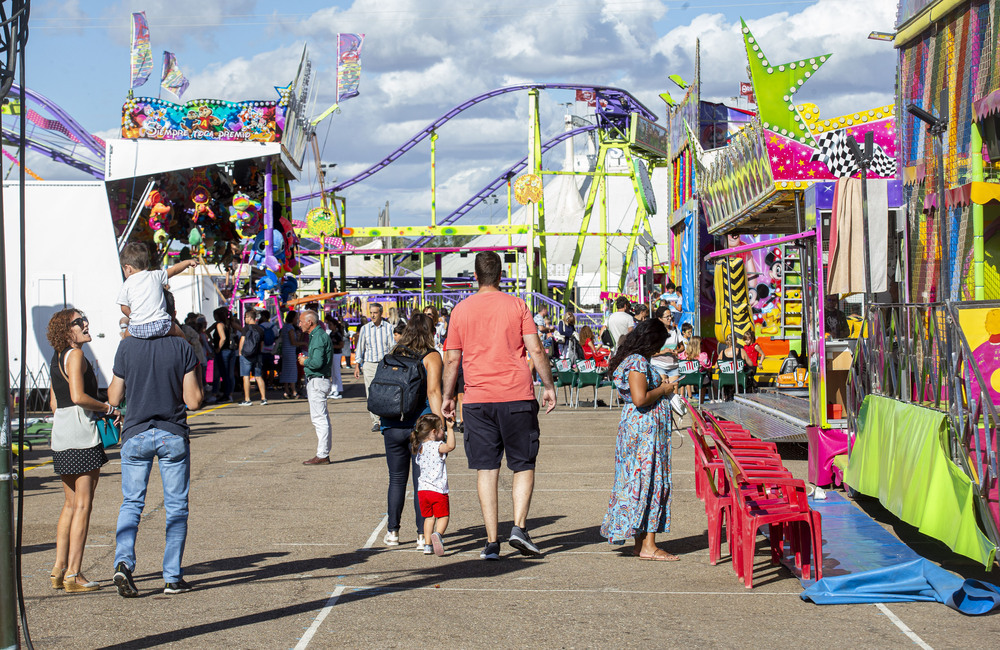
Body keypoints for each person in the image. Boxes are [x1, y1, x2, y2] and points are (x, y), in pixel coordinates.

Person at [442, 251, 556, 560]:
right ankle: (518, 526)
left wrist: (448, 396)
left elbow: (453, 358)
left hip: (478, 400)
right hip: (516, 394)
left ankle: (491, 541)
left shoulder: (461, 310)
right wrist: (548, 386)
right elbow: (536, 349)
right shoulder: (517, 305)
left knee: (486, 469)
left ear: (474, 276)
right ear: (501, 275)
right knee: (523, 464)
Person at [108, 290, 203, 597]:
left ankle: (123, 563)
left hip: (135, 432)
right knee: (176, 507)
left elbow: (113, 397)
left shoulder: (126, 347)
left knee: (132, 503)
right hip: (171, 431)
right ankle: (172, 576)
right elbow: (194, 401)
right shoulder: (181, 347)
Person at [46, 309, 115, 593]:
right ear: (67, 330)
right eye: (78, 322)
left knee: (70, 504)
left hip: (62, 431)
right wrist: (108, 408)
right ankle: (74, 573)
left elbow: (54, 402)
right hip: (80, 432)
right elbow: (77, 396)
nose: (86, 324)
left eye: (84, 319)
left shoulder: (57, 356)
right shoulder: (75, 355)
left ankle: (59, 569)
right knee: (83, 506)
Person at [600, 318, 679, 561]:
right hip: (644, 433)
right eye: (657, 344)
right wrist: (664, 390)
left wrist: (659, 384)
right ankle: (649, 546)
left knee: (642, 481)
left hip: (642, 431)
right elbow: (640, 398)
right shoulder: (637, 362)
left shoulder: (636, 361)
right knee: (650, 481)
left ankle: (641, 543)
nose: (658, 349)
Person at [379, 314, 443, 549]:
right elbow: (434, 392)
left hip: (392, 422)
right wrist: (441, 425)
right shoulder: (431, 356)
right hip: (420, 425)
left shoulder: (395, 352)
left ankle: (393, 532)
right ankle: (420, 535)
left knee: (396, 480)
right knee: (421, 482)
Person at [117, 242, 197, 339]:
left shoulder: (126, 284)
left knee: (125, 336)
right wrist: (188, 262)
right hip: (161, 325)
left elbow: (123, 308)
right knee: (180, 334)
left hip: (137, 327)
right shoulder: (155, 275)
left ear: (128, 268)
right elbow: (175, 269)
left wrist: (135, 317)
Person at [411, 414, 456, 556]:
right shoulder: (437, 446)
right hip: (438, 490)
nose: (443, 431)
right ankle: (438, 534)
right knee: (443, 516)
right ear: (433, 432)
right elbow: (451, 446)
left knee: (429, 518)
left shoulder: (420, 448)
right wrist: (451, 429)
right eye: (441, 429)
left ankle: (427, 545)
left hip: (423, 491)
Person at [298, 310, 334, 464]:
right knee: (320, 417)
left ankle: (322, 454)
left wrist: (305, 362)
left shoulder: (318, 337)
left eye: (301, 321)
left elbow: (317, 363)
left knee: (319, 418)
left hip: (318, 380)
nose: (299, 324)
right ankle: (323, 453)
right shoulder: (317, 335)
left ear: (310, 322)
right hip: (319, 379)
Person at [355, 303, 395, 432]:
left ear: (381, 313)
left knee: (385, 391)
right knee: (371, 392)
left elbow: (392, 348)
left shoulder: (389, 328)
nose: (372, 315)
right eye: (371, 313)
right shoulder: (365, 329)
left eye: (375, 313)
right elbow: (360, 347)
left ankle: (385, 418)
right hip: (369, 364)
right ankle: (375, 420)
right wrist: (357, 365)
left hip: (384, 364)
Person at [238, 309, 267, 406]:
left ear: (250, 318)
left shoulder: (246, 328)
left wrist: (240, 352)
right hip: (257, 354)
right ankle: (263, 398)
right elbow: (262, 343)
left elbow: (242, 341)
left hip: (246, 355)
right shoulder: (260, 329)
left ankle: (247, 399)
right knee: (258, 376)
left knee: (246, 377)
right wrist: (259, 352)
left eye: (245, 317)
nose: (245, 319)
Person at [210, 306, 238, 403]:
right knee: (230, 374)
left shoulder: (219, 325)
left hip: (223, 351)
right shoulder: (230, 323)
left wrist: (217, 347)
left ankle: (226, 394)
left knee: (223, 374)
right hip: (232, 350)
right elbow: (242, 330)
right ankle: (230, 394)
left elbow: (223, 338)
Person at [650, 306, 681, 380]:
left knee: (674, 388)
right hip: (658, 365)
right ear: (660, 319)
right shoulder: (654, 332)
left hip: (673, 366)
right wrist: (662, 352)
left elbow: (682, 347)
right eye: (667, 317)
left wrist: (677, 351)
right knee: (663, 388)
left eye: (670, 316)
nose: (670, 318)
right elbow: (649, 352)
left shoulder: (675, 330)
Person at [278, 310, 303, 399]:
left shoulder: (285, 327)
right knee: (292, 371)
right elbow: (293, 342)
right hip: (290, 352)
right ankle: (293, 391)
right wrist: (303, 343)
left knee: (285, 371)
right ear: (292, 318)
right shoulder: (290, 328)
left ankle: (286, 390)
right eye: (296, 318)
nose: (297, 320)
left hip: (285, 352)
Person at [325, 314, 345, 399]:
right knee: (332, 373)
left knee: (336, 372)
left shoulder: (337, 334)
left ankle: (338, 389)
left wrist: (332, 347)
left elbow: (341, 345)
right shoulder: (331, 334)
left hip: (336, 354)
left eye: (330, 325)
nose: (329, 326)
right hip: (332, 354)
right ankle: (333, 389)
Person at [259, 309, 280, 387]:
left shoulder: (260, 326)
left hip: (262, 350)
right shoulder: (273, 326)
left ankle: (263, 384)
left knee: (262, 368)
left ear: (263, 316)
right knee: (271, 368)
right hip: (271, 350)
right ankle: (271, 384)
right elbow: (277, 337)